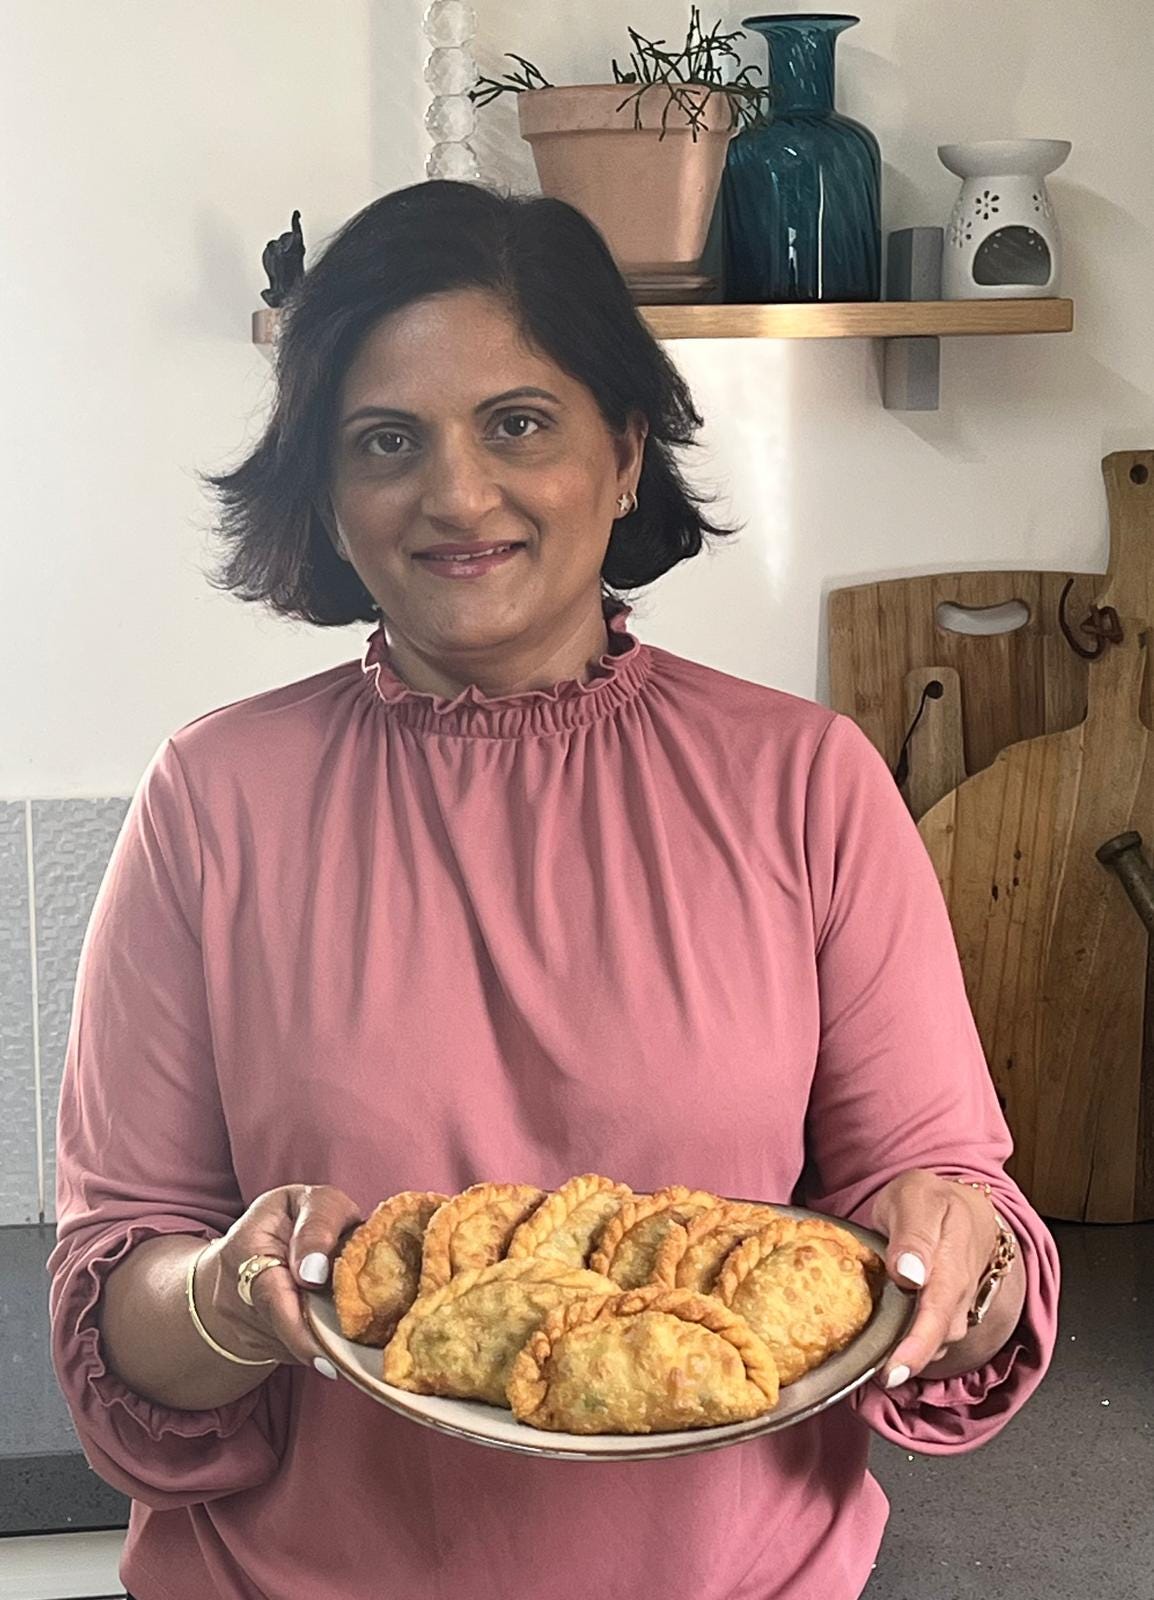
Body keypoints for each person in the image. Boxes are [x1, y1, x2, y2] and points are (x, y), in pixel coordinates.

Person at [49, 179, 1059, 1600]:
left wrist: (961, 1262)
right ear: (328, 495)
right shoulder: (214, 802)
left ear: (627, 448)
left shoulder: (807, 785)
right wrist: (226, 1289)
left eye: (516, 422)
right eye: (384, 440)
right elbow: (119, 1302)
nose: (457, 495)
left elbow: (955, 1229)